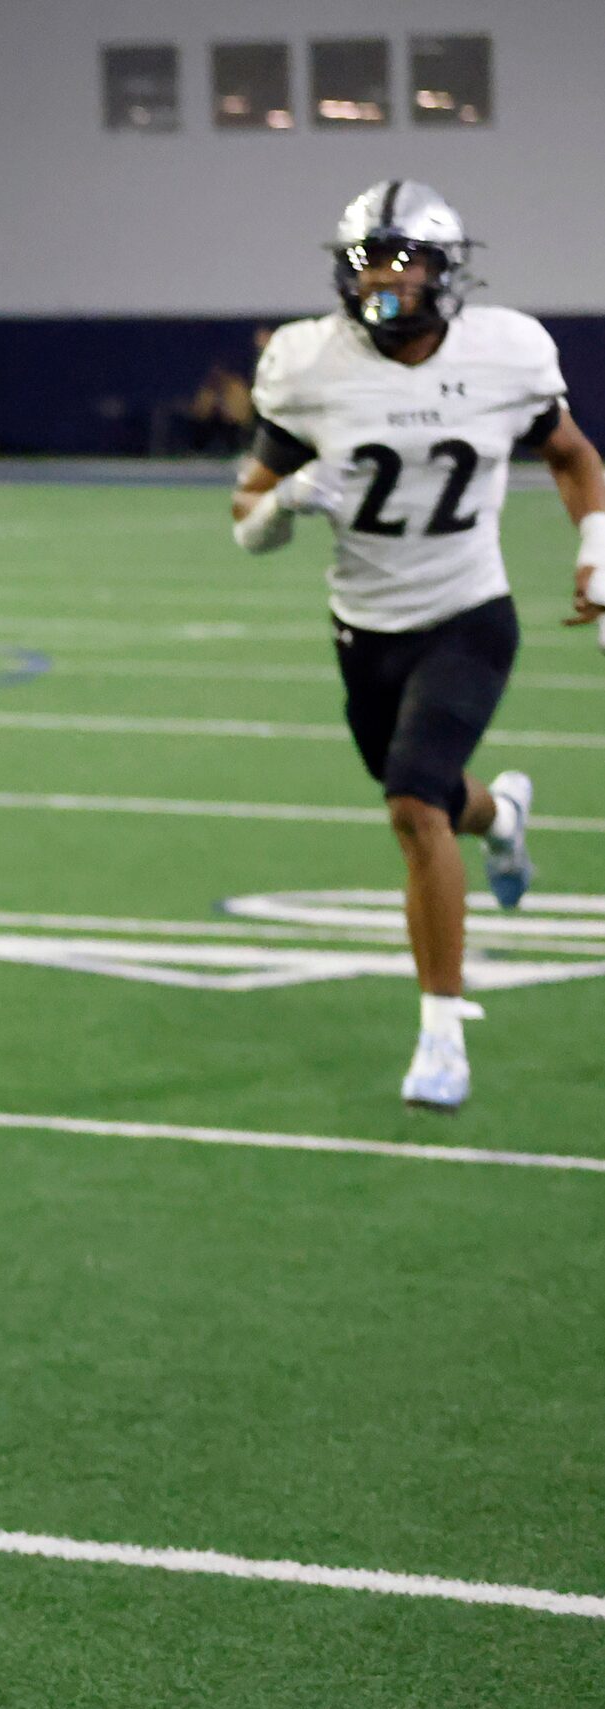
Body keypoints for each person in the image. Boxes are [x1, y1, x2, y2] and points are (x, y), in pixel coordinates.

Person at [231, 179, 605, 1111]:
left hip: (469, 614)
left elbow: (571, 457)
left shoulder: (505, 351)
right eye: (369, 263)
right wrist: (282, 504)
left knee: (408, 805)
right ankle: (503, 818)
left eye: (405, 261)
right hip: (363, 630)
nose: (386, 281)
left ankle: (441, 1036)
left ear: (444, 271)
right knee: (431, 797)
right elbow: (244, 520)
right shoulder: (304, 361)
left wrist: (596, 549)